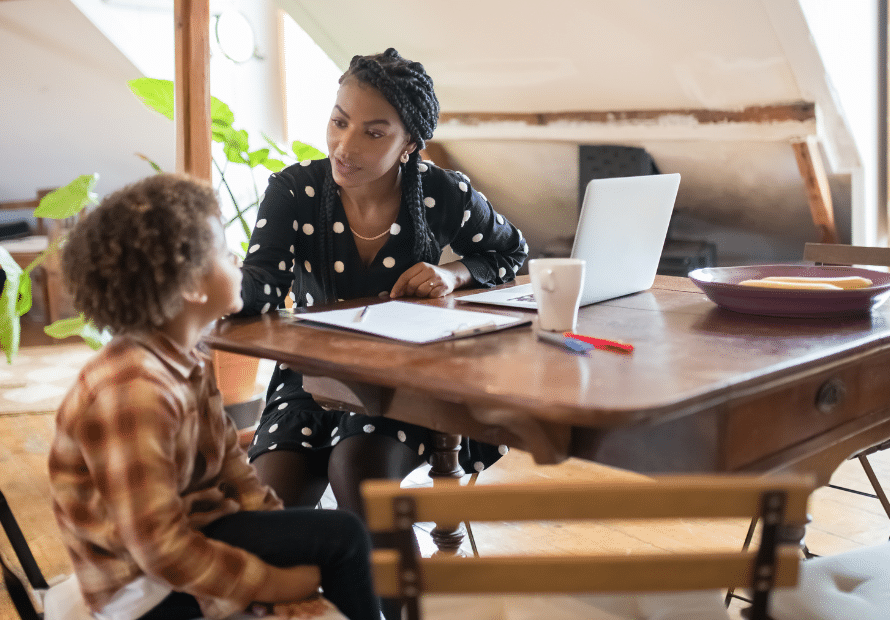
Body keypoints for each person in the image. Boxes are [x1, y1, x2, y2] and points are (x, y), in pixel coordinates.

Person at [48, 173, 380, 620]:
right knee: (321, 562)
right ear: (190, 286)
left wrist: (278, 532)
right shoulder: (133, 393)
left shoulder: (186, 356)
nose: (238, 258)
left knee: (343, 536)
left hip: (198, 530)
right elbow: (161, 550)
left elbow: (230, 466)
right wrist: (271, 583)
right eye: (225, 252)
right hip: (143, 588)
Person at [238, 48, 529, 515]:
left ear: (409, 143)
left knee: (357, 471)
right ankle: (333, 580)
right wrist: (209, 285)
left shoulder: (442, 193)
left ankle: (388, 587)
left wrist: (453, 274)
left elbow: (511, 250)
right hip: (313, 378)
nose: (344, 147)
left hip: (405, 383)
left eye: (373, 133)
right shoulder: (295, 191)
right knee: (268, 507)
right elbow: (264, 284)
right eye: (339, 122)